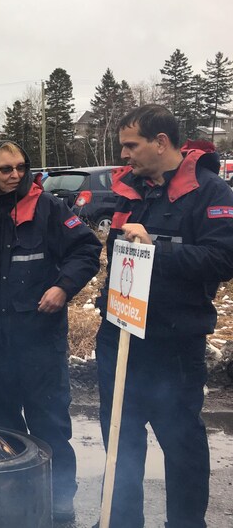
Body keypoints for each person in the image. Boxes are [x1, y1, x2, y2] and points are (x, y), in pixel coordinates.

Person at [0, 140, 101, 521]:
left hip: (40, 342)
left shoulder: (48, 209)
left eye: (20, 168)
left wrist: (63, 287)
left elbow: (87, 251)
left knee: (50, 427)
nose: (15, 175)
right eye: (5, 169)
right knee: (4, 426)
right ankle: (12, 499)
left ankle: (60, 500)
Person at [94, 104, 233, 528]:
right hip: (119, 335)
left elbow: (224, 258)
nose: (125, 155)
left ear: (161, 142)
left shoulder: (211, 192)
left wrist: (156, 244)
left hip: (174, 342)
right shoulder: (131, 189)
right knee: (120, 440)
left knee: (182, 444)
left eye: (131, 145)